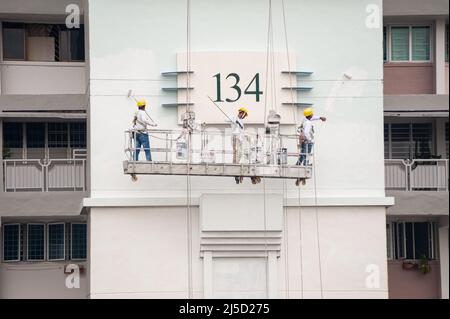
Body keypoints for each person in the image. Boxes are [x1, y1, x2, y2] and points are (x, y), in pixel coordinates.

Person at [296, 107, 326, 186]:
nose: (313, 115)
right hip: (307, 142)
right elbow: (306, 132)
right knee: (307, 156)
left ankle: (297, 166)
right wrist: (309, 140)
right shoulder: (308, 123)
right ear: (310, 115)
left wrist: (320, 118)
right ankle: (304, 171)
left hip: (303, 141)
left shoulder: (305, 120)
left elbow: (312, 118)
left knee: (302, 155)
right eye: (312, 114)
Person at [228, 107, 248, 184]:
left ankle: (237, 166)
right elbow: (226, 119)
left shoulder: (242, 122)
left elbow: (242, 131)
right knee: (236, 151)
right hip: (234, 137)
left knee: (239, 153)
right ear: (241, 113)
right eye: (244, 115)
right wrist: (233, 121)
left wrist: (245, 137)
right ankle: (235, 166)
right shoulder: (234, 118)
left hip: (240, 139)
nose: (244, 116)